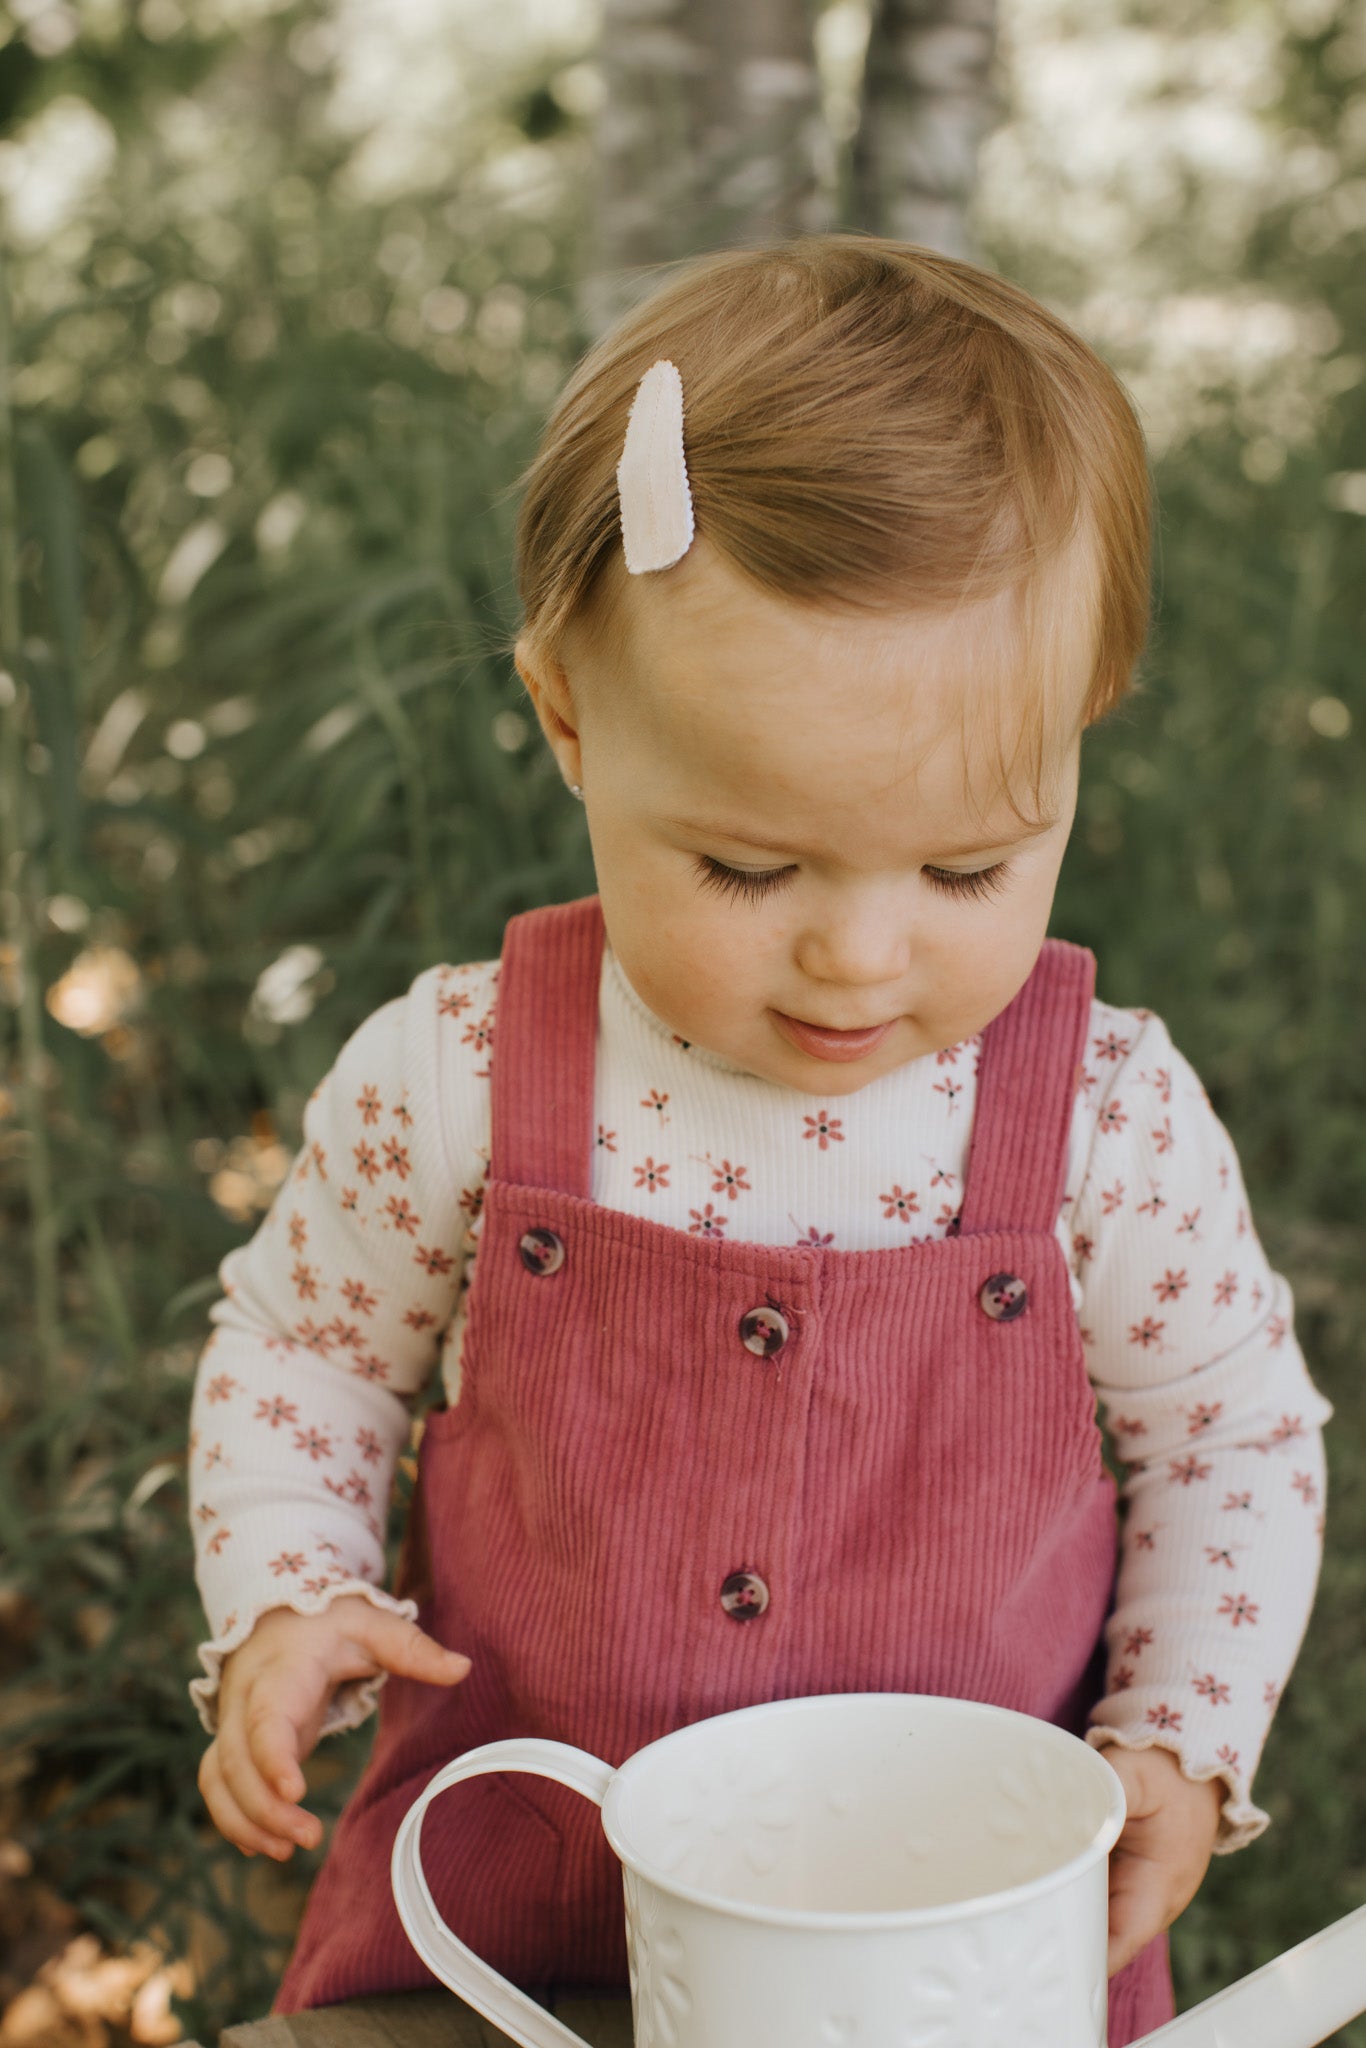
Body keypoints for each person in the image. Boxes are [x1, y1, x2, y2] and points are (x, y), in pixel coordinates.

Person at [186, 235, 1332, 2044]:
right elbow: (307, 1350)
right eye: (745, 864)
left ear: (1078, 745)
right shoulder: (466, 1076)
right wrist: (289, 1594)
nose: (858, 954)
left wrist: (1175, 1740)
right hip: (511, 1922)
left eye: (968, 868)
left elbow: (1228, 1441)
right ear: (569, 719)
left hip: (944, 1958)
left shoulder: (1101, 1116)